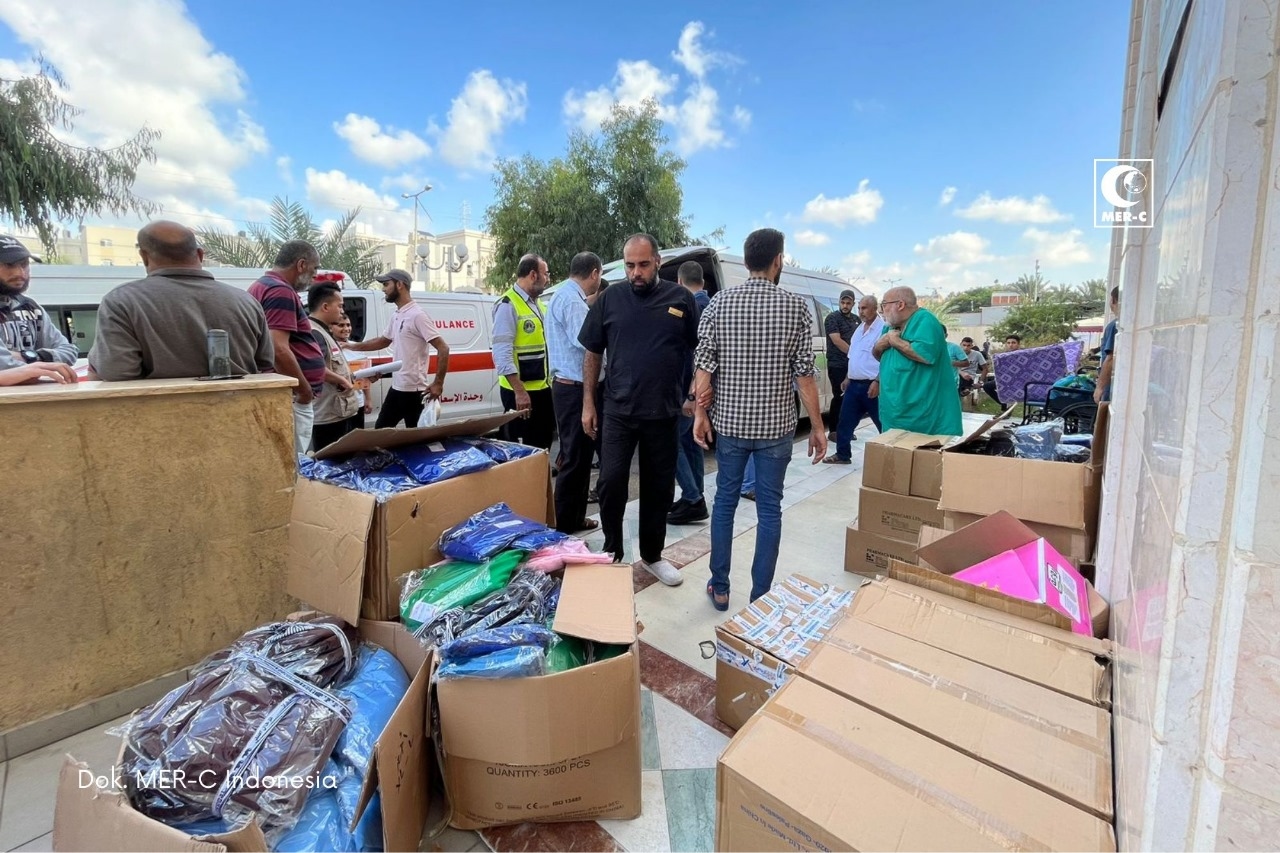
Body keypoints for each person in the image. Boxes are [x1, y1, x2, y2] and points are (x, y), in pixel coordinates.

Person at [694, 228, 826, 609]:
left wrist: (700, 414)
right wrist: (817, 427)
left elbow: (704, 363)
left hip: (731, 426)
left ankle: (720, 587)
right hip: (776, 429)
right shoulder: (795, 307)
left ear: (748, 259)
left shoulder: (719, 304)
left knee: (724, 504)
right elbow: (805, 374)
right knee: (769, 509)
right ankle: (760, 597)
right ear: (777, 260)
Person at [580, 234, 698, 585]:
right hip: (618, 409)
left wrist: (693, 393)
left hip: (663, 413)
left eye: (643, 265)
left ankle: (652, 556)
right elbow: (592, 353)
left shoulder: (681, 299)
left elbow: (698, 350)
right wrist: (588, 402)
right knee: (611, 481)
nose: (636, 272)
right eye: (630, 265)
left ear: (658, 262)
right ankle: (613, 552)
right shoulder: (610, 298)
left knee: (659, 488)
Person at [88, 221, 273, 382]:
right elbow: (265, 364)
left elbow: (117, 373)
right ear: (200, 255)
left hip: (159, 418)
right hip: (242, 416)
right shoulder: (247, 302)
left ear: (144, 256)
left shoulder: (121, 302)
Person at [344, 269, 450, 429]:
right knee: (380, 433)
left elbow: (443, 348)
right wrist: (351, 345)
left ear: (400, 285)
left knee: (416, 440)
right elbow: (383, 341)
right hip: (397, 388)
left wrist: (438, 383)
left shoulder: (417, 315)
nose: (383, 289)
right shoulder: (397, 315)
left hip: (415, 391)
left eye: (386, 284)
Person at [249, 240, 326, 452]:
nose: (315, 275)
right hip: (290, 397)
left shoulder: (262, 286)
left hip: (283, 393)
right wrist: (303, 390)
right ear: (301, 264)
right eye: (315, 268)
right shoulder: (279, 291)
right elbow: (278, 347)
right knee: (293, 462)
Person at [545, 251, 602, 534]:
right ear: (594, 273)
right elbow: (588, 342)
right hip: (575, 389)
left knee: (578, 456)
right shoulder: (571, 301)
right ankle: (565, 524)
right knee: (574, 459)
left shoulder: (564, 296)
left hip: (568, 387)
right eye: (598, 277)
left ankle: (575, 518)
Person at [873, 286, 963, 436]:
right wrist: (878, 345)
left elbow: (925, 355)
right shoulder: (889, 327)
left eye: (884, 304)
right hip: (895, 410)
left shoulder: (926, 320)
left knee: (924, 454)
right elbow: (880, 356)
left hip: (923, 413)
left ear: (900, 305)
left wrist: (894, 341)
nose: (882, 310)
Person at [492, 254, 554, 448]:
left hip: (542, 389)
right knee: (522, 448)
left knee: (542, 444)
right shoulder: (507, 305)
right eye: (546, 273)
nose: (548, 278)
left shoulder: (538, 304)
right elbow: (501, 353)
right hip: (520, 392)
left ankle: (539, 478)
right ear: (533, 275)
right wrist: (519, 391)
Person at [670, 260, 712, 525]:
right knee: (690, 441)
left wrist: (690, 394)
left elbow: (698, 353)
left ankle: (693, 497)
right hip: (702, 389)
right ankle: (695, 494)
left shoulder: (692, 307)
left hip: (691, 389)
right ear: (703, 283)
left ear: (679, 282)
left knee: (671, 443)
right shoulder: (712, 304)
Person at [1, 234, 79, 371]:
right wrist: (45, 363)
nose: (21, 273)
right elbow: (3, 365)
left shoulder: (31, 307)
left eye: (24, 264)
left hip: (38, 392)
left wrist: (29, 357)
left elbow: (70, 352)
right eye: (9, 265)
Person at [824, 294, 885, 463]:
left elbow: (887, 360)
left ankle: (893, 454)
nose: (861, 311)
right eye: (859, 308)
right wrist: (847, 377)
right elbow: (853, 356)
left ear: (875, 308)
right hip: (854, 385)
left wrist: (878, 381)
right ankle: (843, 455)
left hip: (872, 385)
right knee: (845, 421)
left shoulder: (883, 329)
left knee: (883, 423)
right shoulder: (859, 329)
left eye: (864, 308)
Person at [307, 284, 360, 451]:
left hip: (337, 411)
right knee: (332, 463)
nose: (341, 310)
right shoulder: (315, 332)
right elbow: (316, 368)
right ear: (325, 307)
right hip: (328, 416)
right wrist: (341, 380)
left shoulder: (322, 331)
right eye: (340, 305)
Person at [823, 290, 857, 441]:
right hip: (837, 363)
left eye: (848, 303)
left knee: (852, 398)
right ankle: (834, 430)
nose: (845, 305)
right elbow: (836, 340)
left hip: (853, 365)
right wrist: (855, 355)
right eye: (843, 302)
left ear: (853, 304)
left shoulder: (856, 320)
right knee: (839, 396)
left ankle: (847, 430)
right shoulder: (832, 318)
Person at [331, 314, 371, 431]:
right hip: (338, 405)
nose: (346, 328)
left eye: (348, 325)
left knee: (357, 438)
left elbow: (365, 377)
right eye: (341, 325)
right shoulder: (328, 347)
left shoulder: (357, 347)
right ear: (330, 327)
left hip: (357, 402)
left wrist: (368, 399)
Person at [1094, 287, 1120, 404]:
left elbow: (1110, 358)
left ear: (1113, 300)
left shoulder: (1114, 326)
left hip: (1112, 386)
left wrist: (1099, 387)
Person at [983, 334, 1020, 405]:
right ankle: (1004, 404)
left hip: (1018, 380)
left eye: (1013, 343)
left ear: (1018, 344)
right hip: (1004, 379)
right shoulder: (1002, 356)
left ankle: (1006, 406)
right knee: (987, 386)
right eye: (1008, 343)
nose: (1011, 345)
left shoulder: (1023, 355)